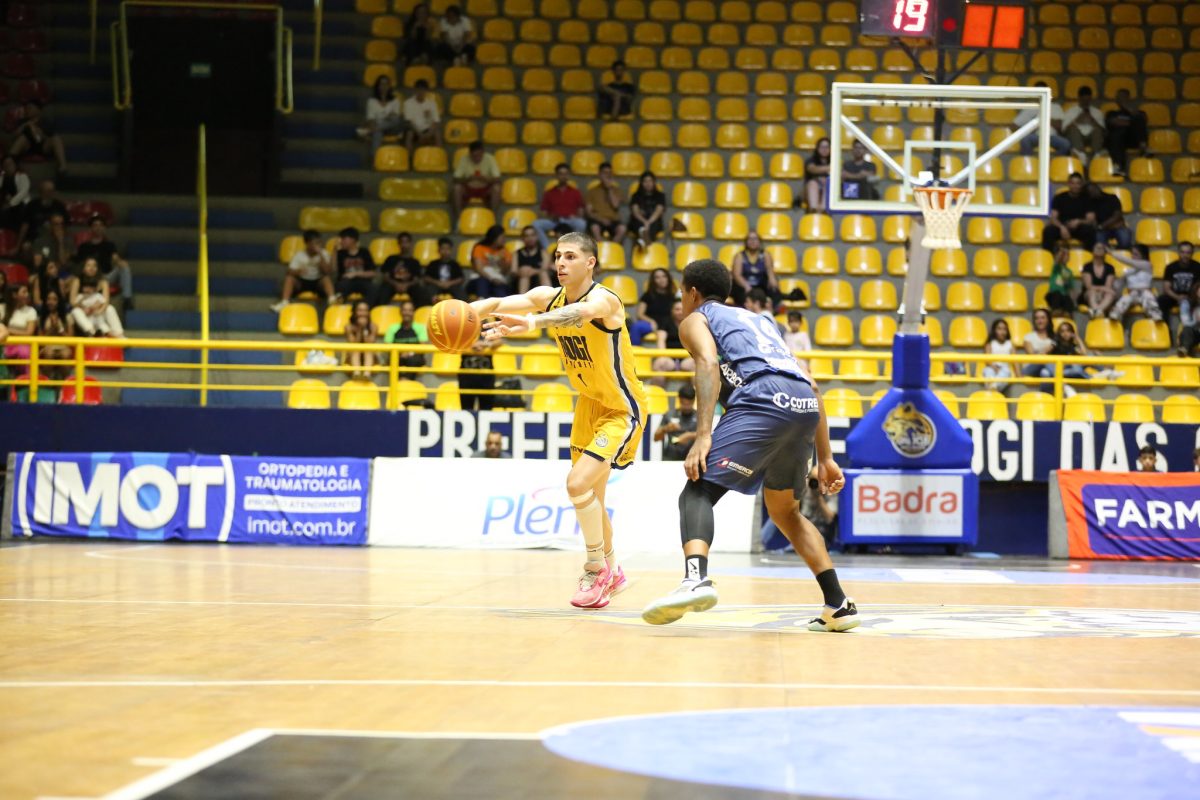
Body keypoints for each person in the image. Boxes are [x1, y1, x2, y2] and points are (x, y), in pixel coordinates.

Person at [639, 259, 854, 631]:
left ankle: (695, 579)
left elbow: (707, 363)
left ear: (692, 293)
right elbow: (813, 385)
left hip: (762, 399)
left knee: (698, 489)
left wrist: (703, 435)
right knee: (786, 512)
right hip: (803, 404)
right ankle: (838, 604)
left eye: (682, 294)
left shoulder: (696, 319)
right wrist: (827, 457)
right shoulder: (761, 321)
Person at [474, 232, 647, 608]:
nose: (560, 263)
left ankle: (595, 568)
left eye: (570, 256)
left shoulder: (605, 299)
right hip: (588, 405)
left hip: (621, 408)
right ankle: (613, 570)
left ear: (590, 262)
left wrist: (532, 323)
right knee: (592, 496)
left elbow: (581, 313)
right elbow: (499, 302)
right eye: (557, 256)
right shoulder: (547, 296)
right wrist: (465, 311)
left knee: (576, 483)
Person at [74, 214, 134, 310]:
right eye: (95, 225)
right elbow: (79, 264)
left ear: (104, 228)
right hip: (89, 277)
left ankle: (127, 299)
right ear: (91, 228)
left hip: (106, 277)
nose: (98, 228)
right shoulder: (84, 246)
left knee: (124, 268)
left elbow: (115, 258)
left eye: (100, 225)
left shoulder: (109, 245)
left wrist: (120, 262)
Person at [272, 229, 335, 312]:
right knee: (289, 278)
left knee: (326, 278)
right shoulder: (299, 255)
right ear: (307, 244)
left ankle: (332, 301)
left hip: (317, 281)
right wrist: (298, 271)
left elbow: (327, 271)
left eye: (319, 243)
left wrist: (320, 255)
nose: (318, 245)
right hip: (302, 281)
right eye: (315, 243)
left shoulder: (324, 253)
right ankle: (284, 302)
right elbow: (289, 271)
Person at [532, 163, 587, 248]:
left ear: (568, 175)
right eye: (561, 174)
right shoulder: (549, 193)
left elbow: (581, 211)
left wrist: (575, 217)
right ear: (556, 175)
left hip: (570, 220)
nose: (563, 176)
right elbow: (543, 212)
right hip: (554, 221)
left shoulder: (575, 192)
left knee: (581, 223)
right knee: (536, 224)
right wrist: (551, 216)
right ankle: (547, 248)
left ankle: (574, 247)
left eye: (565, 174)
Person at [9, 101, 68, 173]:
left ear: (38, 110)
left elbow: (45, 137)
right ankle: (10, 162)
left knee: (56, 138)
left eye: (30, 108)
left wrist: (36, 130)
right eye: (27, 108)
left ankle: (63, 167)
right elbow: (14, 136)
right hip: (28, 146)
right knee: (22, 138)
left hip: (43, 146)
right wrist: (25, 125)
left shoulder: (45, 121)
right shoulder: (23, 121)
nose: (28, 110)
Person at [1042, 172, 1095, 252]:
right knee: (1048, 231)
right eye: (1073, 183)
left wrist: (1079, 221)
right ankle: (1048, 256)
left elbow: (1090, 219)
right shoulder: (1059, 197)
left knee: (1090, 231)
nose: (1075, 186)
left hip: (1079, 228)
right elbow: (1053, 218)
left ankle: (1088, 256)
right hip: (1062, 226)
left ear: (1081, 185)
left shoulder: (1087, 199)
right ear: (1068, 184)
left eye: (1078, 183)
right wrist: (1062, 227)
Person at [1108, 245, 1162, 323]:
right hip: (1133, 293)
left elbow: (1129, 262)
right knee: (1126, 298)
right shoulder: (1128, 271)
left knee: (1148, 296)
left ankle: (1155, 314)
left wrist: (1112, 253)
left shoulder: (1147, 265)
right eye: (1132, 254)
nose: (1133, 256)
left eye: (1136, 254)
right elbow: (1117, 285)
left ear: (1143, 255)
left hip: (1145, 292)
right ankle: (1116, 313)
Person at [1159, 242, 1199, 345]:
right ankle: (1166, 332)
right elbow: (1166, 288)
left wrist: (1191, 297)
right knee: (1162, 300)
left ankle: (1192, 332)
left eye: (1188, 252)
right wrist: (1178, 297)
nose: (1185, 255)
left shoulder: (1197, 267)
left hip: (1192, 297)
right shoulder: (1171, 267)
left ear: (1192, 253)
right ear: (1178, 252)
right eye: (1183, 252)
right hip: (1174, 296)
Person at [1016, 81, 1070, 156]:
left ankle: (1054, 161)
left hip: (1052, 136)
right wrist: (1030, 127)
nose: (1040, 94)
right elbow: (1014, 125)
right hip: (1035, 136)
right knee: (1025, 140)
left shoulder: (1055, 107)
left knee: (1066, 144)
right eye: (1038, 92)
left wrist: (1043, 118)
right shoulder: (1030, 107)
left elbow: (1059, 126)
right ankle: (1030, 162)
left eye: (1043, 92)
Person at [381, 231, 434, 307]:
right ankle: (379, 311)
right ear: (399, 244)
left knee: (421, 291)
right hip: (392, 285)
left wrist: (406, 285)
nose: (404, 245)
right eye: (402, 242)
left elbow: (416, 279)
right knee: (383, 289)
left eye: (406, 242)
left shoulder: (414, 262)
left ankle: (421, 311)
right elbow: (386, 277)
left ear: (410, 243)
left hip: (409, 285)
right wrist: (396, 284)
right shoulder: (391, 259)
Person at [1104, 89, 1148, 177]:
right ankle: (1118, 166)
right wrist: (1132, 123)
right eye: (1119, 97)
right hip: (1117, 141)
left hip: (1133, 139)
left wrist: (1128, 109)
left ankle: (1143, 147)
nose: (1121, 99)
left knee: (1138, 118)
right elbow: (1113, 122)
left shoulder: (1139, 113)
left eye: (1123, 97)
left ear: (1128, 98)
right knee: (1117, 134)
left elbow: (1143, 120)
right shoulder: (1112, 113)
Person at [730, 231, 780, 308]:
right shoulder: (740, 256)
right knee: (740, 292)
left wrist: (773, 283)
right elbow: (737, 275)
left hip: (760, 285)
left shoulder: (765, 255)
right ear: (746, 242)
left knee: (774, 290)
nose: (753, 241)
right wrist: (746, 286)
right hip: (744, 286)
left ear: (759, 242)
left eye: (755, 239)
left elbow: (770, 272)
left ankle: (773, 310)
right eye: (750, 239)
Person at [451, 140, 501, 217]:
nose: (477, 158)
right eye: (474, 156)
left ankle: (493, 215)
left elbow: (498, 179)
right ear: (470, 154)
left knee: (496, 188)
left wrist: (486, 179)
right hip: (469, 188)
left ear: (483, 153)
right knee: (457, 188)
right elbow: (455, 179)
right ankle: (459, 216)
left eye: (479, 156)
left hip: (485, 188)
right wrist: (468, 179)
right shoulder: (464, 159)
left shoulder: (490, 159)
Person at [651, 299, 695, 384]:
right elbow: (661, 340)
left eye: (682, 309)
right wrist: (662, 356)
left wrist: (693, 357)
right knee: (660, 364)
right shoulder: (665, 322)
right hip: (668, 357)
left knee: (697, 364)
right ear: (672, 311)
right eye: (677, 309)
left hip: (687, 357)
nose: (680, 312)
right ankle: (656, 391)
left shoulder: (692, 322)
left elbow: (695, 342)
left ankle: (696, 392)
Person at [69, 272, 124, 338]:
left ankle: (117, 335)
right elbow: (75, 304)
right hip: (87, 319)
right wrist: (83, 306)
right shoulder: (80, 296)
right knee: (75, 311)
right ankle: (92, 333)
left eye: (90, 287)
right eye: (86, 287)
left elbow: (102, 303)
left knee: (104, 320)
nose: (88, 289)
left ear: (95, 289)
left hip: (97, 317)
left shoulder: (97, 296)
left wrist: (95, 307)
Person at [357, 74, 402, 154]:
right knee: (377, 132)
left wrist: (388, 117)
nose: (384, 86)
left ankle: (369, 131)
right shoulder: (371, 101)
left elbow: (395, 117)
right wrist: (385, 118)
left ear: (389, 86)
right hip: (377, 125)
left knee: (396, 119)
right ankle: (375, 157)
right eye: (381, 84)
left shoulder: (395, 101)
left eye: (386, 84)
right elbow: (371, 119)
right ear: (377, 86)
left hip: (392, 128)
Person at [334, 227, 379, 305]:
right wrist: (334, 250)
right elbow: (333, 269)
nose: (341, 241)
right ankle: (339, 309)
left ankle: (364, 309)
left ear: (353, 239)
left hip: (363, 281)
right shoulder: (340, 253)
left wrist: (355, 274)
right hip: (345, 282)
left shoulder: (364, 252)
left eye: (344, 238)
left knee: (374, 289)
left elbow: (372, 273)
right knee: (339, 288)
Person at [383, 299, 428, 377]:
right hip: (398, 356)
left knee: (413, 360)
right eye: (405, 310)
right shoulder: (392, 328)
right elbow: (387, 346)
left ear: (413, 312)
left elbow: (423, 347)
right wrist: (401, 354)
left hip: (414, 358)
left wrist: (409, 353)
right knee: (393, 360)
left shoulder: (420, 327)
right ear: (400, 312)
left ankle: (405, 381)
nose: (407, 313)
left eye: (410, 310)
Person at [1062, 86, 1105, 166]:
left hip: (1092, 137)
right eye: (1083, 100)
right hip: (1077, 138)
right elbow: (1064, 131)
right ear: (1079, 99)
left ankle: (1095, 155)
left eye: (1087, 100)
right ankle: (1081, 155)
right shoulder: (1071, 111)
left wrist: (1093, 121)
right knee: (1073, 129)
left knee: (1098, 130)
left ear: (1090, 99)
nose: (1085, 103)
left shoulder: (1097, 112)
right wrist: (1076, 121)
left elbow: (1104, 131)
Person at [584, 162, 627, 244]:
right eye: (605, 173)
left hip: (613, 220)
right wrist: (601, 219)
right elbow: (589, 212)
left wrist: (609, 189)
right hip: (598, 220)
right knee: (595, 228)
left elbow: (615, 205)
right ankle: (600, 248)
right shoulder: (592, 191)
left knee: (622, 228)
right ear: (599, 175)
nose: (608, 176)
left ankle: (613, 247)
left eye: (609, 173)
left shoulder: (616, 190)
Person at [654, 384, 699, 461]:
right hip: (669, 458)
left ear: (694, 401)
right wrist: (665, 429)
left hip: (691, 458)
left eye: (689, 404)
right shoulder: (669, 414)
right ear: (679, 400)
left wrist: (690, 436)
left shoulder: (699, 417)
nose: (686, 407)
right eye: (683, 404)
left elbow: (707, 436)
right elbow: (656, 438)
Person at [37, 288, 73, 379]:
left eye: (54, 299)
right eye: (49, 299)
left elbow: (71, 339)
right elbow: (39, 340)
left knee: (65, 355)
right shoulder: (41, 318)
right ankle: (47, 383)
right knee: (49, 354)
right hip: (47, 345)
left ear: (59, 301)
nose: (51, 302)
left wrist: (60, 329)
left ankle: (65, 383)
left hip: (63, 345)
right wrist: (51, 330)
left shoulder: (67, 317)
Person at [458, 334, 501, 411]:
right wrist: (471, 345)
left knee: (487, 409)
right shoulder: (463, 329)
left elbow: (500, 342)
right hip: (467, 376)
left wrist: (484, 344)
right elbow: (455, 343)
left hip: (486, 376)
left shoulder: (488, 329)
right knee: (466, 408)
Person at [800, 464, 838, 550]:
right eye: (813, 480)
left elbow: (829, 518)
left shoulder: (831, 491)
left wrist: (819, 497)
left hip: (823, 531)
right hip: (805, 529)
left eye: (818, 480)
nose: (815, 484)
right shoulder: (805, 488)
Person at [19, 180, 67, 247]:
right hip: (34, 237)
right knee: (26, 247)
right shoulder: (31, 205)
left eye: (52, 191)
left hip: (54, 238)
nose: (50, 193)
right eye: (48, 191)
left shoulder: (59, 206)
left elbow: (66, 224)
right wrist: (18, 245)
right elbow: (25, 225)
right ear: (41, 191)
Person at [469, 225, 513, 299]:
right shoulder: (479, 248)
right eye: (502, 237)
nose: (504, 240)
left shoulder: (504, 251)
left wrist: (501, 261)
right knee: (483, 282)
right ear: (494, 237)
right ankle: (481, 301)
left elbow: (504, 272)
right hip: (481, 279)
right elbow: (479, 269)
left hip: (498, 280)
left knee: (501, 291)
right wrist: (492, 279)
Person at [401, 79, 442, 155]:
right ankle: (409, 157)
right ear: (415, 90)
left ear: (426, 91)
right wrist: (420, 134)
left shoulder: (432, 103)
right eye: (419, 89)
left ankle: (438, 155)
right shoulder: (408, 103)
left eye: (423, 90)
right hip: (414, 129)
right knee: (409, 133)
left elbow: (436, 122)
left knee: (437, 132)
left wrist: (429, 134)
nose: (421, 92)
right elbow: (409, 122)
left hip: (427, 129)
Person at [1086, 182, 1132, 250]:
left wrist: (1102, 226)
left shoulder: (1112, 198)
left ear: (1098, 188)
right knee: (1099, 245)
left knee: (1125, 240)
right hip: (1103, 230)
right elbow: (1093, 220)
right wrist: (1100, 226)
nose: (1093, 192)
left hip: (1116, 228)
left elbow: (1117, 216)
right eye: (1090, 191)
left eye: (1093, 189)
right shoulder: (1090, 203)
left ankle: (1117, 254)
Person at [1079, 242, 1118, 319]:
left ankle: (1095, 311)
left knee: (1110, 294)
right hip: (1089, 294)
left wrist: (1100, 290)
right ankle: (1098, 311)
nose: (1099, 249)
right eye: (1097, 247)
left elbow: (1108, 286)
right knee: (1092, 292)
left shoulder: (1110, 268)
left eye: (1102, 248)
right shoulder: (1087, 266)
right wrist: (1101, 289)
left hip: (1104, 294)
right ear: (1092, 251)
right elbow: (1089, 286)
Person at [635, 267, 676, 340]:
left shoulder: (674, 296)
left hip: (669, 324)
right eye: (657, 277)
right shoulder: (647, 295)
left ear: (668, 278)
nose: (661, 279)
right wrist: (651, 321)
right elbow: (640, 314)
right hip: (651, 324)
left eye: (664, 276)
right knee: (637, 327)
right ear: (653, 281)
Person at [628, 170, 665, 249]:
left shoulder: (660, 196)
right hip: (640, 220)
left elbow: (658, 211)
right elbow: (635, 211)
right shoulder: (636, 196)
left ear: (654, 182)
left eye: (650, 181)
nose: (648, 184)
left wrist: (648, 222)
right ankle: (646, 243)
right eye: (645, 181)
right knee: (638, 224)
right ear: (641, 183)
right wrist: (644, 221)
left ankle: (643, 242)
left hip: (653, 221)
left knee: (653, 225)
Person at [513, 225, 553, 294]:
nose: (530, 238)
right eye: (527, 236)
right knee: (524, 276)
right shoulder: (517, 253)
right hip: (520, 281)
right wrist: (521, 271)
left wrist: (533, 271)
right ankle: (522, 299)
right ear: (522, 238)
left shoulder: (543, 252)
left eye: (532, 235)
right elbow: (513, 271)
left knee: (543, 274)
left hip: (538, 281)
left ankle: (550, 297)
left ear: (536, 237)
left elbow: (545, 268)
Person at [424, 236, 467, 300]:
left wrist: (450, 283)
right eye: (443, 248)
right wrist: (438, 282)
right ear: (439, 250)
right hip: (436, 285)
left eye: (448, 249)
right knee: (428, 290)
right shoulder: (433, 263)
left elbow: (461, 278)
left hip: (451, 285)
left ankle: (461, 305)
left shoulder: (455, 264)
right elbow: (426, 278)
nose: (445, 251)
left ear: (451, 250)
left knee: (460, 292)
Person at [343, 300, 378, 379]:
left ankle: (367, 374)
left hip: (370, 357)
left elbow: (370, 343)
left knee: (368, 349)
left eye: (365, 310)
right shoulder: (348, 327)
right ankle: (357, 373)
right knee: (356, 349)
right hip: (352, 357)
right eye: (360, 310)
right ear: (354, 312)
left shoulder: (373, 326)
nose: (363, 313)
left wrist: (365, 329)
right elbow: (353, 343)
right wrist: (359, 330)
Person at [1044, 241, 1078, 317]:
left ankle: (1067, 313)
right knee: (1056, 295)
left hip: (1064, 295)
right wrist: (1061, 252)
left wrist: (1073, 300)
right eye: (1063, 254)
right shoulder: (1056, 267)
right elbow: (1057, 261)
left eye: (1067, 255)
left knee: (1067, 299)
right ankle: (1055, 310)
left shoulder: (1069, 272)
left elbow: (1071, 288)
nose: (1065, 256)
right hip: (1054, 295)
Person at [981, 318, 1015, 394]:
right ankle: (993, 388)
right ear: (994, 330)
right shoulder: (990, 344)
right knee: (988, 371)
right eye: (999, 329)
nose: (1002, 332)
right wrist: (995, 368)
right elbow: (987, 360)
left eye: (1004, 329)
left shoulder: (1010, 344)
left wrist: (1019, 376)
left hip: (1004, 369)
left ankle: (993, 388)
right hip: (992, 367)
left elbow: (1015, 361)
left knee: (1006, 371)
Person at [1022, 308, 1056, 380]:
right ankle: (1063, 384)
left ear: (1048, 320)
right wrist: (1045, 352)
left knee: (1045, 373)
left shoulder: (1054, 338)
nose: (1040, 321)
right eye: (1037, 318)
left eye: (1043, 318)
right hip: (1030, 368)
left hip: (1048, 368)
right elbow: (1032, 357)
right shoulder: (1028, 337)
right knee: (1045, 360)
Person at [0, 156, 31, 232]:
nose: (8, 166)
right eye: (5, 164)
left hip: (20, 203)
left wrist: (10, 203)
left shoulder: (22, 176)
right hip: (4, 202)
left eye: (10, 164)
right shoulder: (1, 177)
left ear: (15, 164)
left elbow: (23, 192)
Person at [803, 137, 831, 213]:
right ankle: (814, 209)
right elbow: (812, 169)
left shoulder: (834, 160)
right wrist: (829, 168)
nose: (824, 149)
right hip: (810, 190)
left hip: (826, 189)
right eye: (822, 147)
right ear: (817, 148)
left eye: (827, 147)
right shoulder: (811, 160)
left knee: (829, 184)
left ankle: (823, 209)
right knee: (813, 183)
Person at [1178, 282, 1200, 357]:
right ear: (1196, 290)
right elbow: (1185, 322)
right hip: (1194, 330)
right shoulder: (1186, 303)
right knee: (1187, 330)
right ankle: (1184, 349)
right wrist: (1196, 320)